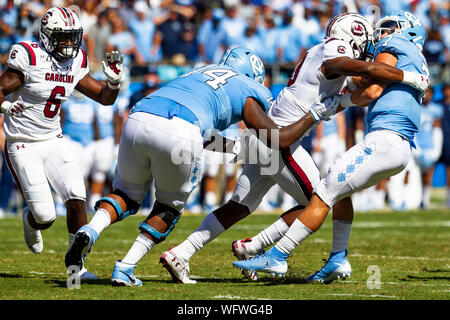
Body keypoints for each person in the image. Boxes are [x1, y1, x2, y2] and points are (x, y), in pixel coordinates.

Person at [160, 13, 430, 284]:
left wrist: (352, 95)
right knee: (320, 200)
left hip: (266, 135)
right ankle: (255, 247)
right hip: (281, 138)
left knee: (237, 207)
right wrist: (410, 77)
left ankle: (182, 253)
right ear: (354, 35)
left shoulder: (325, 56)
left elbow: (362, 89)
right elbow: (363, 71)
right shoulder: (335, 49)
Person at [65, 46, 338, 286]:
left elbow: (205, 133)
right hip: (181, 128)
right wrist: (312, 115)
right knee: (168, 207)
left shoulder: (198, 72)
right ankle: (125, 267)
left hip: (139, 116)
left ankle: (91, 229)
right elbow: (280, 139)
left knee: (125, 195)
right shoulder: (250, 89)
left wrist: (236, 148)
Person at [0, 7, 124, 280]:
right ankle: (30, 220)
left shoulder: (76, 61)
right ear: (46, 36)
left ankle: (76, 269)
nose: (69, 43)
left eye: (72, 37)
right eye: (62, 37)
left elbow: (104, 98)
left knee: (77, 198)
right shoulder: (29, 56)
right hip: (23, 142)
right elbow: (0, 89)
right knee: (45, 217)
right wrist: (7, 107)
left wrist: (114, 83)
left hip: (53, 139)